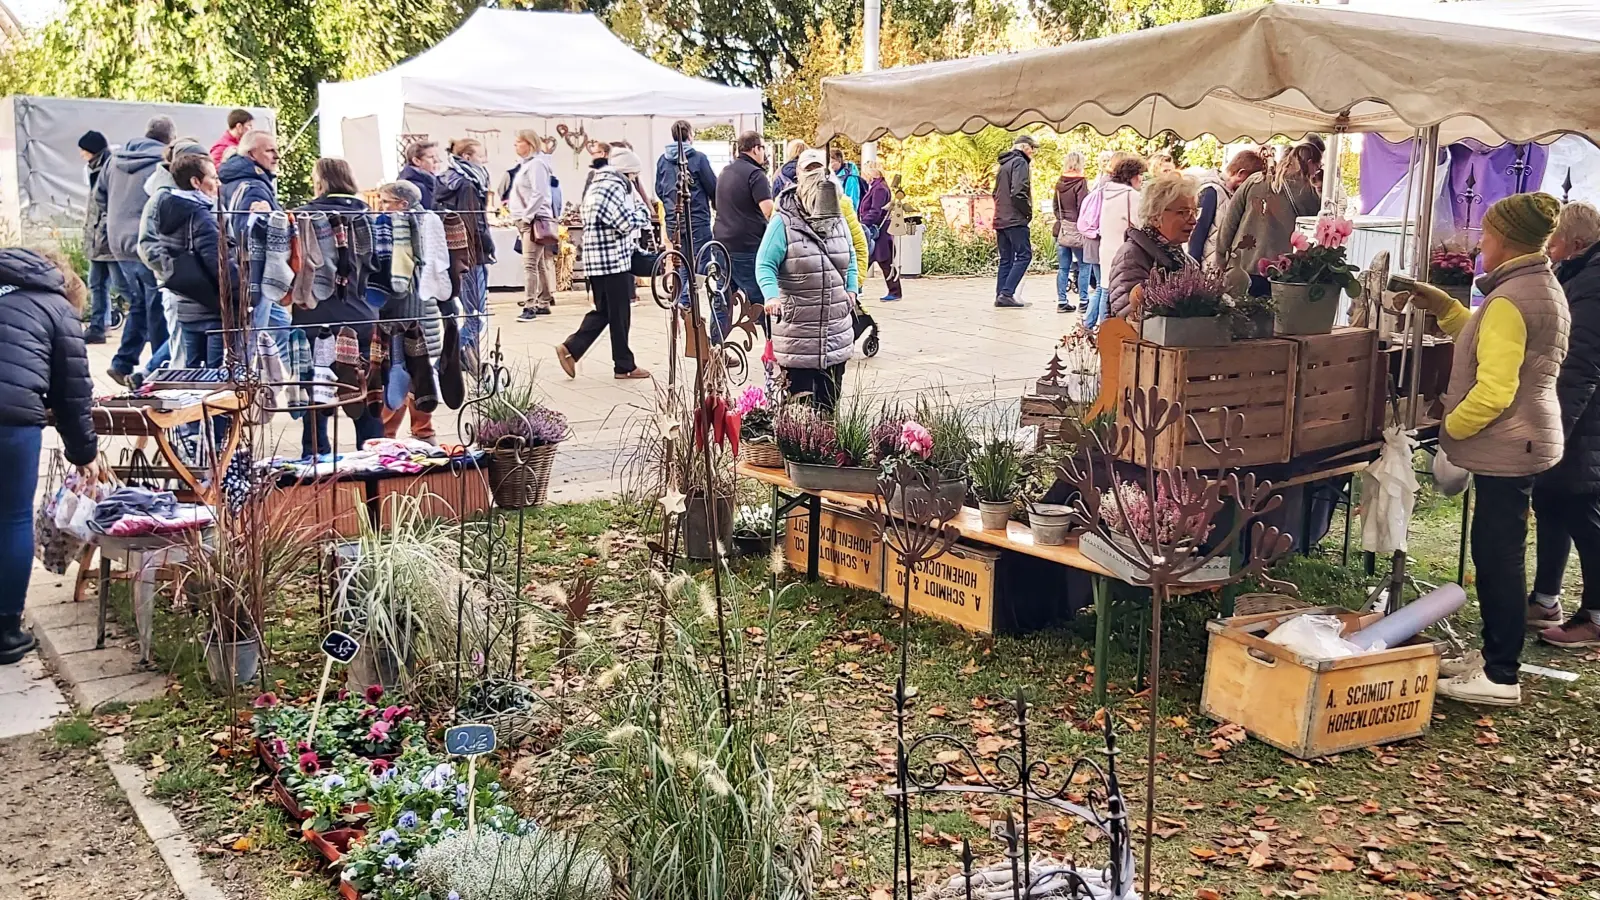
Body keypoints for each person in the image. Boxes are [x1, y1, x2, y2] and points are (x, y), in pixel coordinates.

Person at [1404, 193, 1569, 706]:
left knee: (1497, 556)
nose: (1480, 242)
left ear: (1504, 239)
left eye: (1486, 233)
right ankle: (1497, 652)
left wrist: (1451, 425)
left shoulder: (1510, 298)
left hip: (1509, 440)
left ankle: (1501, 673)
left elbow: (1495, 387)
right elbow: (1489, 338)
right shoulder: (1533, 287)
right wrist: (1448, 308)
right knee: (1498, 550)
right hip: (1527, 436)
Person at [0, 248, 98, 665]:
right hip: (11, 420)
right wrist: (84, 452)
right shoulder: (56, 307)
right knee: (12, 518)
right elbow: (72, 392)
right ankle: (5, 633)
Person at [1532, 202, 1600, 648]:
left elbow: (1580, 364)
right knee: (1552, 502)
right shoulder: (1578, 272)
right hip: (1570, 413)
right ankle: (1545, 599)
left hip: (1582, 418)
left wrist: (1557, 428)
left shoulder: (1593, 283)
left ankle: (1595, 617)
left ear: (1575, 244)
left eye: (1552, 240)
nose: (1548, 249)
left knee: (1583, 512)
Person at [295, 158, 384, 458]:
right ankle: (374, 460)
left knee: (317, 397)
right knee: (366, 393)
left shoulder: (302, 217)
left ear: (320, 182)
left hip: (313, 317)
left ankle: (315, 462)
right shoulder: (368, 217)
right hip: (362, 317)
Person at [757, 149, 858, 412]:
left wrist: (851, 289)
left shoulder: (837, 218)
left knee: (828, 408)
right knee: (799, 412)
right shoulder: (782, 222)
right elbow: (765, 263)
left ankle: (829, 451)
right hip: (798, 334)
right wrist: (771, 295)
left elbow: (851, 256)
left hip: (835, 331)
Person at [555, 148, 651, 381]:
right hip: (612, 261)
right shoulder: (613, 186)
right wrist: (643, 212)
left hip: (598, 261)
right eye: (634, 176)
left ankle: (572, 349)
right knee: (619, 315)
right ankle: (623, 365)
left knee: (606, 312)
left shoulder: (598, 184)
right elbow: (624, 223)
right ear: (628, 172)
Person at [102, 115, 175, 385]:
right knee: (156, 308)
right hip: (147, 241)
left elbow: (99, 196)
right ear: (169, 138)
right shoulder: (164, 162)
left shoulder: (114, 160)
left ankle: (122, 362)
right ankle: (159, 370)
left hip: (118, 242)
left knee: (140, 304)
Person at [374, 180, 448, 443]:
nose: (381, 207)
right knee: (419, 372)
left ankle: (389, 432)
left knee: (399, 371)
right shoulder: (428, 222)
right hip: (423, 313)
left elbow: (402, 276)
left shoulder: (404, 226)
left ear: (402, 204)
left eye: (385, 202)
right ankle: (422, 432)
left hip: (405, 312)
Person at [133, 138, 210, 385]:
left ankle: (149, 377)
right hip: (178, 290)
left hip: (201, 289)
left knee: (192, 356)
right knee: (182, 356)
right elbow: (147, 245)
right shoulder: (161, 197)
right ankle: (172, 412)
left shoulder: (198, 197)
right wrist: (174, 272)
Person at [155, 154, 236, 369]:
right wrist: (243, 295)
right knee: (214, 375)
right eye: (213, 177)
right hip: (210, 308)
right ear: (195, 182)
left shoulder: (166, 209)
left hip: (185, 304)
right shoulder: (201, 217)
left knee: (191, 370)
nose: (218, 184)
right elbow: (219, 265)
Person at [219, 129, 291, 361]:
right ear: (251, 154)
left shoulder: (240, 180)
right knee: (251, 338)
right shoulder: (253, 186)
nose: (276, 156)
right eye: (270, 150)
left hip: (249, 273)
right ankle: (246, 383)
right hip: (256, 274)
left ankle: (273, 377)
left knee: (282, 326)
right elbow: (247, 235)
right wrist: (273, 219)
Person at [1215, 140, 1321, 292]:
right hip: (1281, 274)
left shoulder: (1255, 180)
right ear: (1311, 163)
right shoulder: (1309, 194)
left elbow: (1229, 224)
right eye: (1318, 166)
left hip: (1241, 267)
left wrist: (1221, 262)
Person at [437, 138, 496, 369]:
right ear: (468, 157)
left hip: (454, 253)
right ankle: (444, 362)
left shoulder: (445, 179)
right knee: (476, 316)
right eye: (481, 156)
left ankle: (462, 357)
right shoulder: (468, 184)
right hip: (472, 255)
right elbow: (473, 222)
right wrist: (488, 246)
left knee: (472, 313)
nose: (485, 161)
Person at [1107, 173, 1199, 319]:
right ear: (1156, 216)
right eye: (1184, 213)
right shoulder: (1131, 256)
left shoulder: (1187, 261)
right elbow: (1128, 315)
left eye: (1194, 212)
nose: (1193, 221)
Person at [713, 131, 775, 318]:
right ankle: (771, 342)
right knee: (758, 298)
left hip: (721, 243)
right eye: (763, 148)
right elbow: (768, 210)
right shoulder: (756, 175)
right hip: (746, 245)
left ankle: (716, 344)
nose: (764, 153)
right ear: (756, 148)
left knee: (722, 300)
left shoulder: (725, 171)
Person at [655, 120, 717, 304]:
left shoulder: (663, 160)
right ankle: (689, 297)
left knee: (681, 260)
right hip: (696, 218)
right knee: (701, 260)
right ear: (690, 135)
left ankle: (684, 299)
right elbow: (712, 186)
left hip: (673, 219)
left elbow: (659, 189)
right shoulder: (698, 158)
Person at [1085, 153, 1146, 325]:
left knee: (1105, 290)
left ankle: (1102, 331)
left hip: (1106, 249)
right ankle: (1111, 332)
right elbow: (1141, 224)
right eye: (1139, 174)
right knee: (1119, 297)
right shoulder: (1131, 196)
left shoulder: (1107, 192)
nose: (1141, 178)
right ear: (1132, 176)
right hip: (1124, 251)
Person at [509, 129, 557, 322]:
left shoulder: (536, 165)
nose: (515, 146)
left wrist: (527, 216)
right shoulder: (527, 165)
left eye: (518, 142)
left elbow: (539, 193)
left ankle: (530, 305)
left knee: (530, 263)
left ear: (529, 144)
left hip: (533, 218)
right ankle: (544, 300)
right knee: (537, 263)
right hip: (528, 217)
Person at [1189, 149, 1266, 267]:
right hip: (1205, 270)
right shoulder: (1211, 192)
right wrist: (1192, 269)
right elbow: (1197, 234)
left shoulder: (1229, 195)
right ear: (1241, 173)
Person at [79, 129, 120, 344]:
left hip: (106, 239)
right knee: (96, 283)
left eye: (84, 151)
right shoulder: (94, 169)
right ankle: (98, 326)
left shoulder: (108, 169)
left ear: (93, 151)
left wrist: (104, 230)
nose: (81, 155)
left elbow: (107, 206)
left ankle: (146, 324)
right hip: (98, 239)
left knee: (122, 285)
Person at [992, 134, 1036, 309]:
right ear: (1025, 147)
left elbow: (995, 193)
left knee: (1006, 258)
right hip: (1015, 219)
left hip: (1001, 218)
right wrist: (1027, 213)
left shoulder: (1004, 166)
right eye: (1032, 148)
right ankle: (1007, 293)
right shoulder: (1020, 163)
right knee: (1024, 255)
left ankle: (1001, 294)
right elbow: (1019, 191)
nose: (1033, 152)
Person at [857, 162, 900, 302]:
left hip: (879, 230)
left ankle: (895, 291)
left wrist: (863, 224)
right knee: (871, 259)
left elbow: (876, 210)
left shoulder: (879, 188)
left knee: (883, 260)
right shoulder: (878, 186)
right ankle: (856, 287)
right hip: (880, 230)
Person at [1053, 152, 1090, 313]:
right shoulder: (1080, 182)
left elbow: (1055, 206)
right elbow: (1083, 207)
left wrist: (1062, 219)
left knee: (1063, 268)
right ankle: (1083, 301)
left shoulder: (1059, 183)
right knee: (1084, 265)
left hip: (1062, 229)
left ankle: (1062, 301)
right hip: (1077, 230)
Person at [398, 140, 442, 210]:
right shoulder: (414, 186)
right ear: (416, 161)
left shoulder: (429, 181)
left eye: (437, 156)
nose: (437, 160)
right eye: (431, 157)